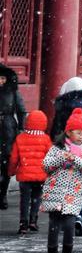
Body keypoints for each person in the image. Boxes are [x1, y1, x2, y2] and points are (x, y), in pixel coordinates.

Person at [40, 108, 82, 253]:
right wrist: (61, 158)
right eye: (78, 133)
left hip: (73, 194)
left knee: (70, 226)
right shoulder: (56, 148)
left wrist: (76, 159)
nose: (81, 136)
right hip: (55, 193)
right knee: (53, 226)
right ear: (68, 132)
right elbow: (46, 165)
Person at [50, 77, 82, 235]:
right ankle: (80, 216)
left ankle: (68, 215)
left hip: (67, 150)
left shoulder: (62, 107)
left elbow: (55, 131)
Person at [8, 109, 52, 233]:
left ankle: (23, 223)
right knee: (36, 198)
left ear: (27, 122)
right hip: (40, 176)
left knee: (24, 200)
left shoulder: (20, 138)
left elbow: (14, 158)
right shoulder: (46, 139)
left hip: (24, 176)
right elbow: (50, 158)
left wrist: (11, 171)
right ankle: (33, 221)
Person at [0, 63, 26, 210]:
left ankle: (2, 194)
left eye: (3, 78)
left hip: (8, 129)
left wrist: (22, 128)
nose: (1, 81)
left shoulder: (12, 91)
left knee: (6, 163)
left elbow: (21, 110)